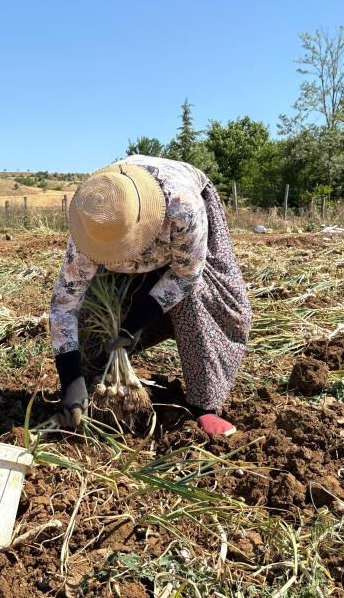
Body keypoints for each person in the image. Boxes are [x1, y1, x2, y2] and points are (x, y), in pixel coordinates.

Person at [49, 155, 251, 438]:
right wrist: (70, 379)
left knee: (197, 299)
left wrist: (135, 322)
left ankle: (205, 404)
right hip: (123, 217)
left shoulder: (184, 208)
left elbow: (186, 275)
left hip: (178, 230)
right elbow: (63, 307)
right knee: (96, 314)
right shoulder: (91, 224)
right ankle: (94, 381)